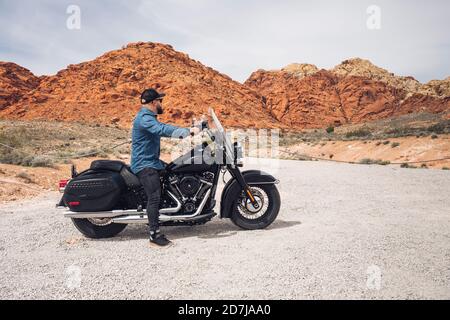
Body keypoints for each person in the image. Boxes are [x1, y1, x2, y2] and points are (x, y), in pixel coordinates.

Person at [131, 88, 199, 247]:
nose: (162, 104)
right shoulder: (144, 119)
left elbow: (163, 127)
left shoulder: (148, 117)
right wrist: (187, 131)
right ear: (154, 102)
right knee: (154, 196)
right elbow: (161, 130)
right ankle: (154, 235)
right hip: (144, 164)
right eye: (160, 101)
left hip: (151, 160)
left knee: (174, 172)